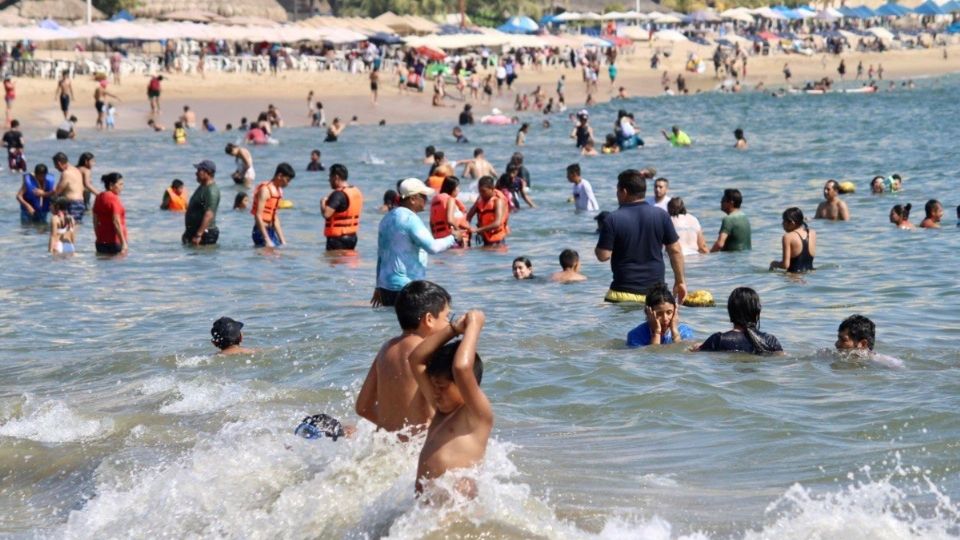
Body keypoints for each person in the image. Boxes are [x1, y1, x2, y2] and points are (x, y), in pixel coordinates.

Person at [408, 309, 492, 498]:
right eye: (433, 385)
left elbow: (461, 367)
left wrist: (474, 325)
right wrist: (453, 329)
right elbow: (415, 360)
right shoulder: (441, 410)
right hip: (424, 510)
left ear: (463, 386)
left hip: (456, 511)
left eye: (442, 386)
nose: (435, 391)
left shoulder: (476, 414)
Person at [356, 280, 451, 436]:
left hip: (386, 446)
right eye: (447, 317)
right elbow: (432, 413)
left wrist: (395, 431)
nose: (448, 323)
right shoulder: (427, 352)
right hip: (416, 451)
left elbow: (362, 407)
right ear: (429, 319)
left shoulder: (386, 349)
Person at [595, 169, 686, 304]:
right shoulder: (661, 215)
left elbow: (603, 256)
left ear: (624, 192)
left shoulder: (612, 219)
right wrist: (680, 282)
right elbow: (675, 251)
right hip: (655, 296)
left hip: (621, 293)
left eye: (618, 190)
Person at [371, 179, 461, 307]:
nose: (426, 200)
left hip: (386, 287)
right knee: (411, 325)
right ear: (412, 199)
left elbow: (381, 257)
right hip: (407, 288)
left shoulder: (386, 219)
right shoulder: (409, 219)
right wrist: (453, 238)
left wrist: (378, 286)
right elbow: (433, 247)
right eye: (423, 196)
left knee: (392, 325)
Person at [695, 287, 782, 354]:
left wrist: (699, 346)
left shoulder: (718, 340)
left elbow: (694, 353)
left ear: (730, 311)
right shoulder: (770, 340)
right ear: (756, 312)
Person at [626, 282, 694, 347]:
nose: (665, 318)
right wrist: (656, 333)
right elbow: (651, 355)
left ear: (675, 310)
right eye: (659, 314)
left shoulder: (684, 331)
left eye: (669, 312)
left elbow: (681, 353)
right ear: (647, 312)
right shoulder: (635, 335)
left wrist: (674, 331)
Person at [251, 162, 294, 248]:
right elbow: (258, 215)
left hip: (271, 231)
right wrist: (266, 239)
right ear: (280, 176)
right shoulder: (265, 190)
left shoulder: (278, 192)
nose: (288, 184)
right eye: (287, 180)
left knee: (278, 257)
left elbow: (275, 218)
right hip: (260, 232)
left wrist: (283, 240)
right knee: (268, 259)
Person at [36, 153, 88, 224]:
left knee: (69, 228)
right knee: (74, 228)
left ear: (59, 163)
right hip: (80, 204)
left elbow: (58, 192)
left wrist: (43, 194)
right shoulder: (76, 170)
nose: (56, 168)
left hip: (72, 204)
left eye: (56, 166)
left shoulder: (66, 173)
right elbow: (81, 188)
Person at [321, 164, 363, 251]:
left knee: (335, 262)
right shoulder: (356, 191)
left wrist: (322, 203)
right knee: (347, 262)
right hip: (352, 237)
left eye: (330, 176)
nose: (329, 180)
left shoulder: (338, 194)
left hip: (337, 239)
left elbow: (327, 214)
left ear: (336, 177)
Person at [183, 160, 221, 246]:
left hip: (204, 234)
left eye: (199, 170)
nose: (196, 173)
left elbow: (209, 214)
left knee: (202, 259)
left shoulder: (211, 191)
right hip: (195, 232)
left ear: (208, 172)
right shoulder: (203, 186)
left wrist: (198, 235)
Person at [466, 176, 510, 247]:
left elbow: (497, 223)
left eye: (483, 191)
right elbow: (469, 216)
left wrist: (477, 230)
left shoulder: (498, 201)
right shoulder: (480, 199)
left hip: (497, 239)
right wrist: (467, 229)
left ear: (492, 189)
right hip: (484, 237)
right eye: (479, 191)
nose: (481, 194)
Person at [769, 207, 816, 273]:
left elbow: (785, 265)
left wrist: (774, 263)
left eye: (784, 221)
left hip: (793, 277)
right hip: (811, 275)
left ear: (792, 223)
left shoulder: (788, 237)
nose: (782, 224)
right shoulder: (812, 233)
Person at [92, 172, 128, 255]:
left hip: (100, 242)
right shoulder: (113, 198)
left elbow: (95, 221)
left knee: (103, 266)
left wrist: (98, 237)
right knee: (117, 267)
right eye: (120, 184)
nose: (122, 187)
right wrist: (123, 242)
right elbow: (116, 221)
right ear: (111, 185)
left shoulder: (99, 197)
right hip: (115, 242)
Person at [430, 176, 471, 244]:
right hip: (452, 238)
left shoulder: (435, 200)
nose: (459, 189)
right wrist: (459, 232)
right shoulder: (450, 199)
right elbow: (450, 220)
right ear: (452, 188)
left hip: (438, 238)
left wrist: (434, 237)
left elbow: (431, 223)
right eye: (457, 187)